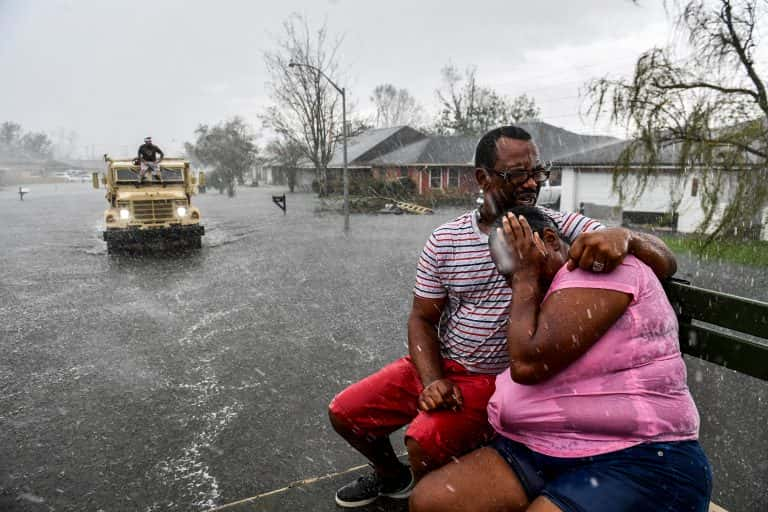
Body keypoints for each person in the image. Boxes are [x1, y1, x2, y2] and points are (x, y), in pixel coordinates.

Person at [327, 125, 678, 508]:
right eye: (517, 175)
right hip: (440, 362)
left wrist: (628, 237)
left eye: (538, 172)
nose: (532, 183)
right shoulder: (446, 240)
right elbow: (421, 319)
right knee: (346, 414)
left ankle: (440, 483)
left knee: (423, 440)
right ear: (483, 178)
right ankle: (394, 478)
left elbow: (665, 261)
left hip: (492, 379)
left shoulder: (555, 225)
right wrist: (431, 379)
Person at [409, 206, 711, 512]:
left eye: (520, 261)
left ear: (551, 239)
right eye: (507, 273)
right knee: (431, 501)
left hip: (637, 455)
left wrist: (526, 275)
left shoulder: (599, 268)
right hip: (533, 449)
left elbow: (529, 364)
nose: (513, 282)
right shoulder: (544, 291)